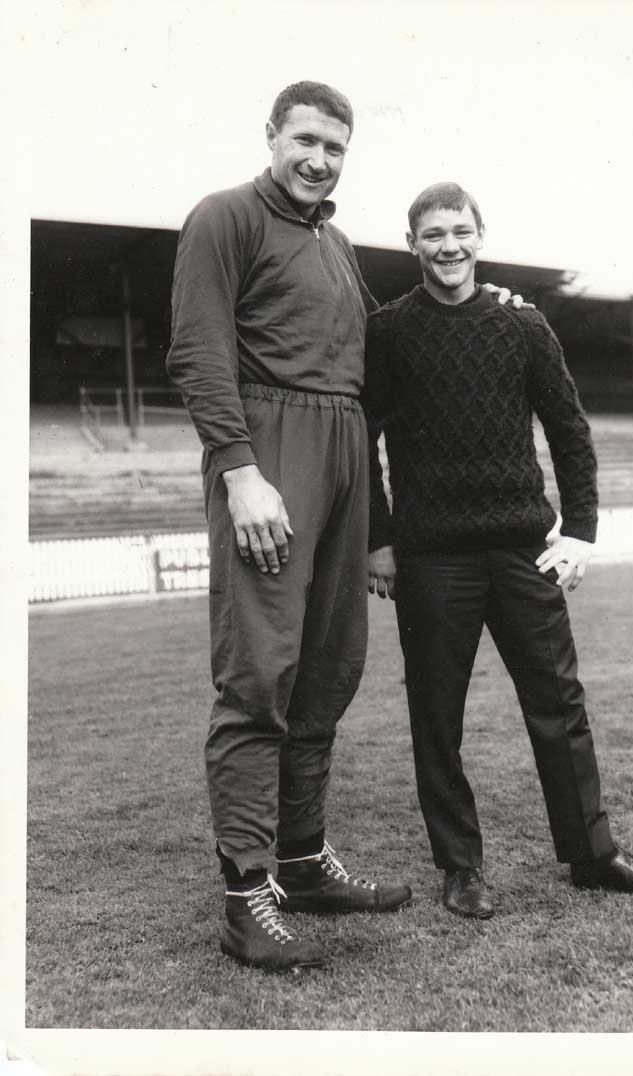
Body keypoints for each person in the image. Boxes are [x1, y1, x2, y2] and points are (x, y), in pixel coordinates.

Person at [167, 83, 522, 972]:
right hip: (270, 454)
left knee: (328, 672)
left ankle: (301, 860)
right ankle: (248, 897)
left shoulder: (331, 241)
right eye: (306, 139)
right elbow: (198, 351)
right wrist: (242, 473)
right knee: (259, 674)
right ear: (274, 136)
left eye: (335, 146)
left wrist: (491, 305)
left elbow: (380, 354)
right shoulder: (224, 218)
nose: (319, 158)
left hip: (344, 455)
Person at [363, 182, 633, 920]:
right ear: (412, 243)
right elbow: (364, 437)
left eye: (460, 231)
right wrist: (379, 540)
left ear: (481, 236)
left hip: (521, 549)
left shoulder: (525, 324)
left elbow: (570, 430)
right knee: (436, 719)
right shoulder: (387, 330)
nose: (448, 246)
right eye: (432, 234)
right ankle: (461, 869)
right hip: (431, 559)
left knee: (558, 707)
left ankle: (593, 856)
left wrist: (579, 530)